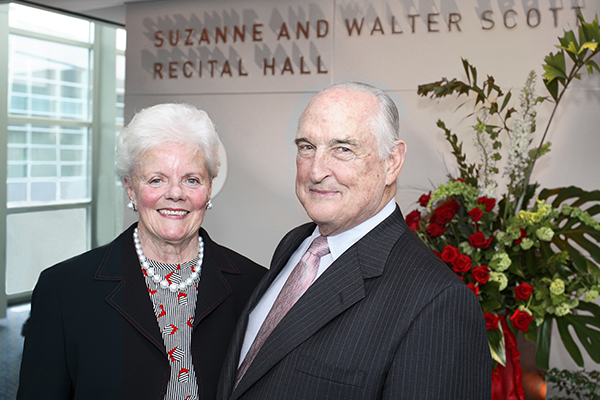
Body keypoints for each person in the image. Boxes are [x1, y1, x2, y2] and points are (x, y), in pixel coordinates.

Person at [217, 82, 491, 399]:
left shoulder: (437, 303)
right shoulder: (294, 245)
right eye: (307, 147)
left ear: (393, 162)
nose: (316, 171)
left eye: (343, 149)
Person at [17, 103, 266, 400]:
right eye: (156, 179)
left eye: (191, 179)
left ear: (209, 189)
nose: (175, 193)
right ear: (131, 189)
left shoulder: (254, 286)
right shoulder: (64, 290)